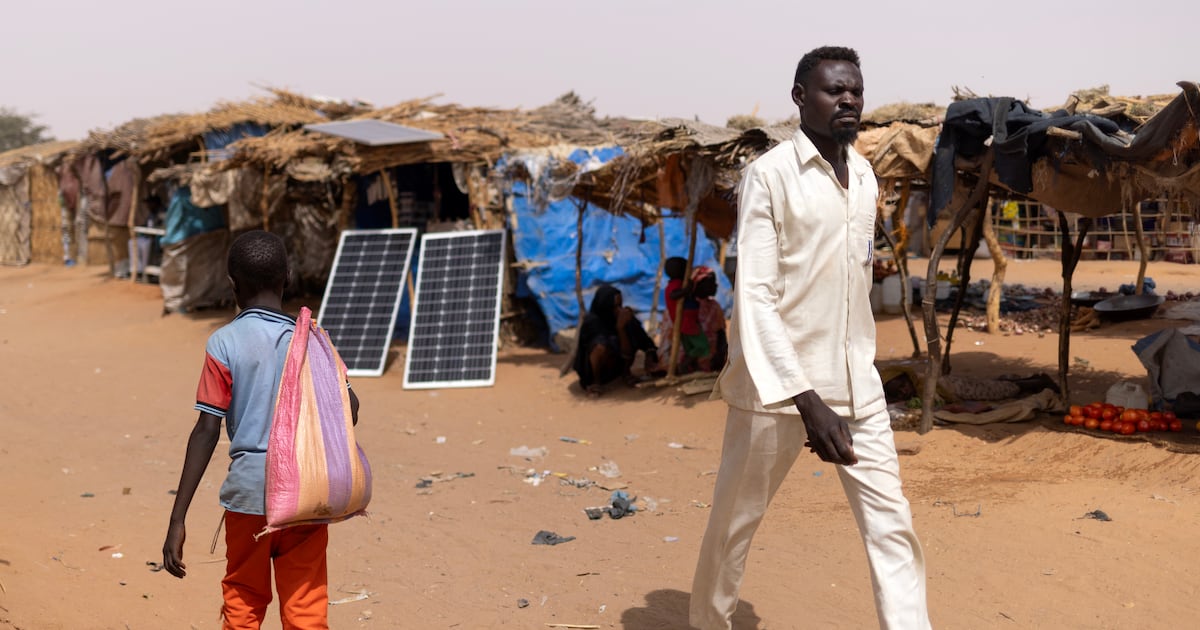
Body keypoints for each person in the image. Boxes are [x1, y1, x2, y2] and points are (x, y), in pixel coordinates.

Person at [691, 47, 932, 629]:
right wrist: (805, 398)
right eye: (833, 91)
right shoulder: (768, 177)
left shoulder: (867, 176)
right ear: (800, 98)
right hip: (778, 391)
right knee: (735, 524)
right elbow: (755, 297)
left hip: (857, 383)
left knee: (891, 525)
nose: (848, 99)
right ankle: (709, 622)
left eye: (855, 90)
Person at [162, 230, 359, 629]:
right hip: (307, 493)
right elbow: (349, 411)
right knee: (305, 605)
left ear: (232, 285)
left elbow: (206, 430)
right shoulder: (311, 339)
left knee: (244, 599)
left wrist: (177, 519)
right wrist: (321, 357)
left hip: (249, 497)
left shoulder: (224, 343)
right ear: (287, 277)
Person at [573, 284, 661, 396]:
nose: (619, 310)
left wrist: (649, 356)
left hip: (617, 366)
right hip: (595, 370)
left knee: (631, 333)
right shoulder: (593, 322)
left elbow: (646, 342)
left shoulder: (624, 317)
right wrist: (620, 329)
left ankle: (625, 373)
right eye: (614, 306)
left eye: (620, 305)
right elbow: (599, 348)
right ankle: (596, 382)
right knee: (600, 346)